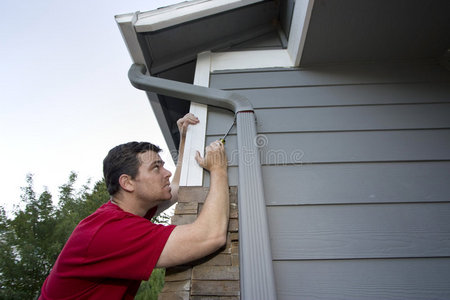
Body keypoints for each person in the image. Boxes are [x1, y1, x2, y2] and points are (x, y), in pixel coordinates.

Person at [39, 113, 229, 299]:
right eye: (156, 168)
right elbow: (210, 236)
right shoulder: (111, 231)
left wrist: (186, 140)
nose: (167, 173)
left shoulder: (126, 213)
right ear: (127, 183)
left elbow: (178, 188)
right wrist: (219, 169)